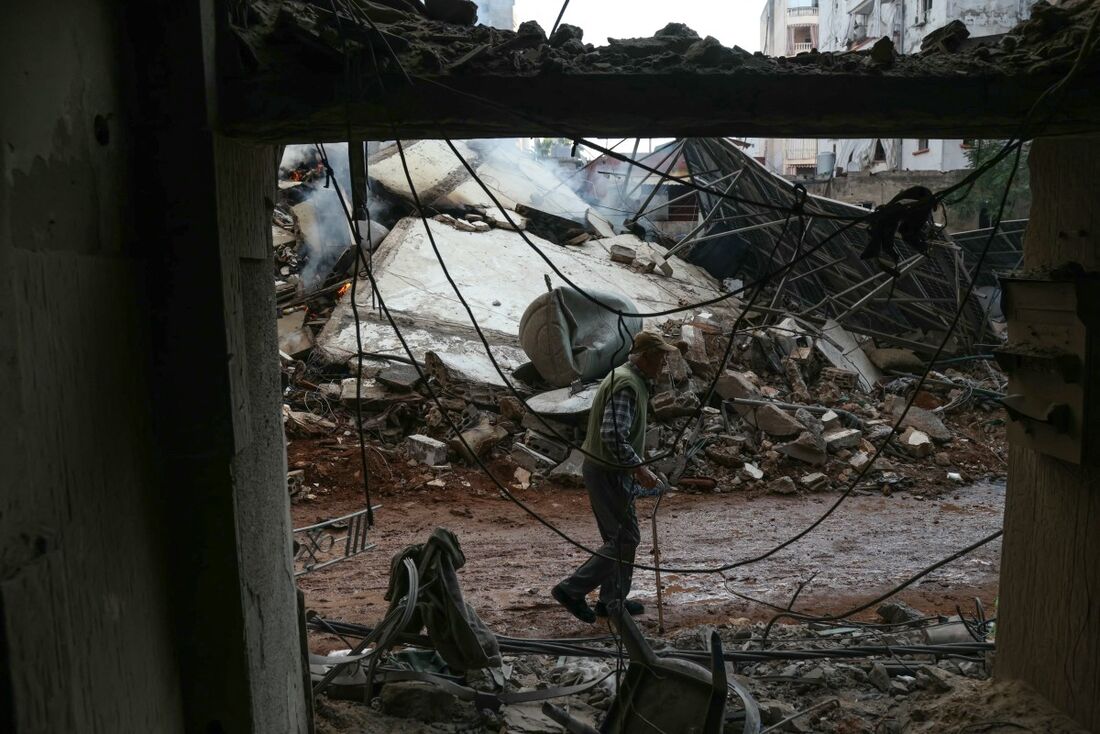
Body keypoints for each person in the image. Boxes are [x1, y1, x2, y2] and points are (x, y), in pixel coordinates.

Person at [551, 331, 678, 623]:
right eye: (660, 357)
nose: (663, 364)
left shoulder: (627, 378)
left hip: (608, 468)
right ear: (645, 357)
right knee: (624, 539)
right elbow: (612, 434)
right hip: (608, 469)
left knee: (619, 537)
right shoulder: (627, 385)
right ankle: (571, 590)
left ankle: (612, 600)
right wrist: (639, 468)